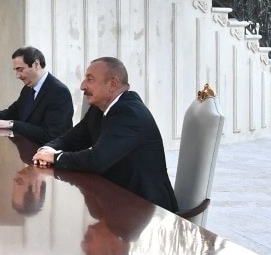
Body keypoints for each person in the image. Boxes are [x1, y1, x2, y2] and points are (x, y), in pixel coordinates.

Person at [32, 56, 178, 212]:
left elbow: (97, 160)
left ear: (112, 84)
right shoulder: (99, 108)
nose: (82, 86)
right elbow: (71, 139)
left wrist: (56, 158)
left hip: (147, 209)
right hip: (115, 199)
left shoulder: (129, 114)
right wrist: (47, 150)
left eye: (90, 79)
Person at [0, 46, 74, 145]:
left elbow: (51, 135)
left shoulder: (59, 92)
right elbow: (13, 112)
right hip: (28, 151)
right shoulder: (28, 88)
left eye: (20, 70)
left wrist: (11, 124)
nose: (17, 76)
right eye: (16, 70)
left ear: (36, 64)